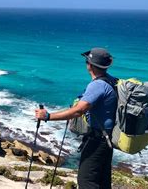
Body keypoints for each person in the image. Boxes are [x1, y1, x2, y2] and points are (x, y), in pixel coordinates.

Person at [35, 47, 118, 189]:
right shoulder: (112, 80)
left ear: (90, 65)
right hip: (108, 139)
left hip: (98, 139)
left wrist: (48, 116)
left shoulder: (98, 85)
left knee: (86, 181)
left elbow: (78, 111)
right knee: (102, 181)